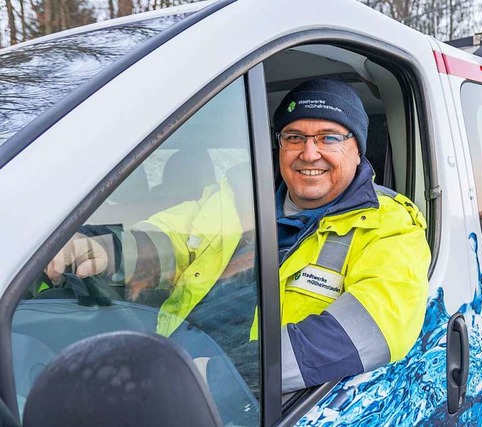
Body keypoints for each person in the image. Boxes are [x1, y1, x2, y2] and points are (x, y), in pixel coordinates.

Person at [44, 78, 430, 393]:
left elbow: (373, 329)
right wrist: (104, 247)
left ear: (358, 150)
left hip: (254, 396)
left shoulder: (390, 225)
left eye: (329, 137)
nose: (309, 153)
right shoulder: (241, 198)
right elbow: (173, 237)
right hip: (172, 362)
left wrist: (226, 374)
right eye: (294, 137)